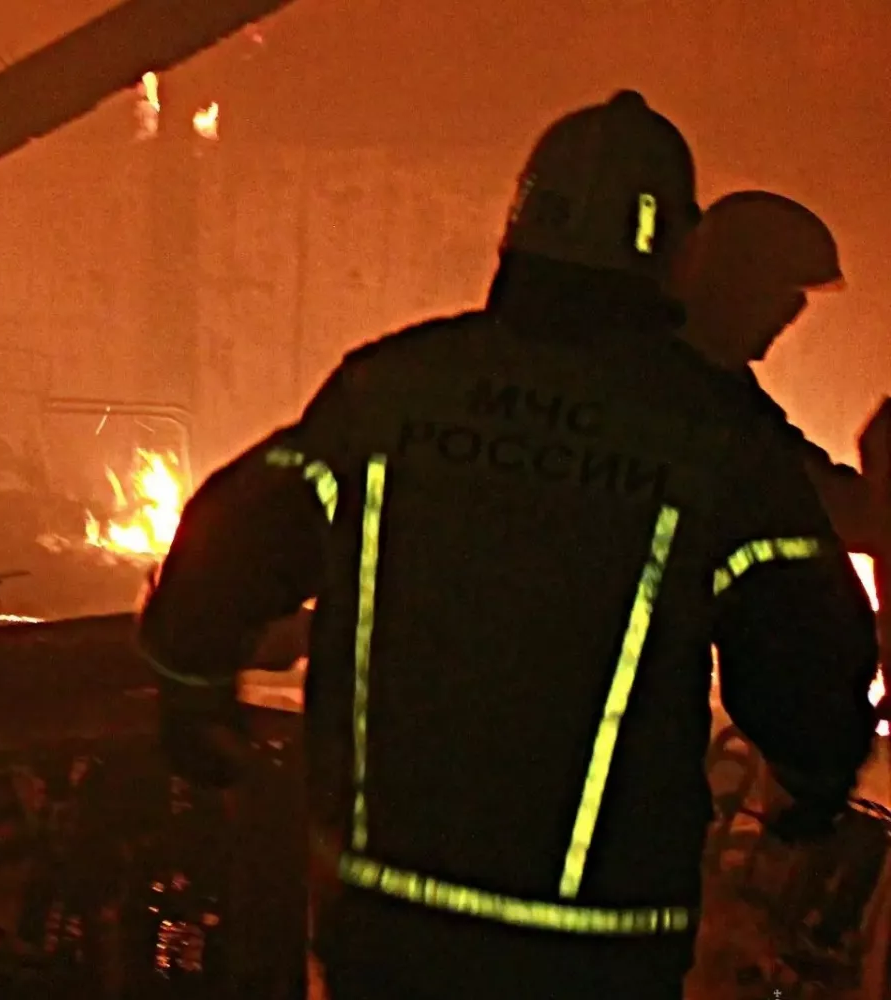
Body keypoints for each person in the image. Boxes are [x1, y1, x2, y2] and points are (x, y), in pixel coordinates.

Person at [137, 90, 879, 1000]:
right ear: (678, 255)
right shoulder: (714, 439)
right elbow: (803, 637)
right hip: (594, 945)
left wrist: (191, 692)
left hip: (387, 922)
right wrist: (814, 779)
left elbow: (231, 541)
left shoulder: (392, 391)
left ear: (518, 228)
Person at [671, 191, 875, 554]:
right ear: (733, 282)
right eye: (783, 293)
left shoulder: (727, 392)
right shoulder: (697, 401)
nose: (793, 313)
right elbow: (829, 502)